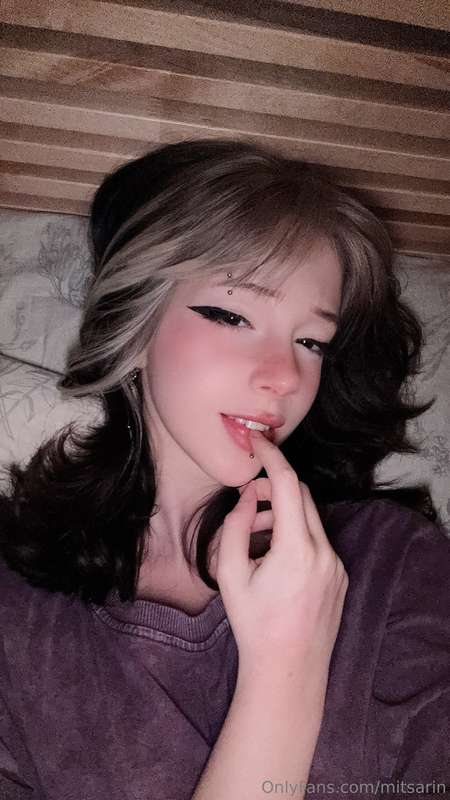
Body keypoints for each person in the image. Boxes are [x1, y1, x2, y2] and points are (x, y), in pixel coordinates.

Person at [0, 139, 449, 800]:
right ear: (134, 323)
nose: (284, 377)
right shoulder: (17, 611)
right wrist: (286, 670)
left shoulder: (395, 561)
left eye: (311, 341)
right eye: (232, 315)